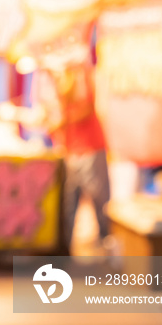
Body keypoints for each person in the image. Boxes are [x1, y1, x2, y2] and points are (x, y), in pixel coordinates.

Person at [31, 40, 111, 255]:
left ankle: (109, 249)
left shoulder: (77, 73)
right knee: (68, 205)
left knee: (99, 202)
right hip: (69, 150)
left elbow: (83, 108)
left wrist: (59, 120)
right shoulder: (49, 78)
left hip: (89, 148)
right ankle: (64, 252)